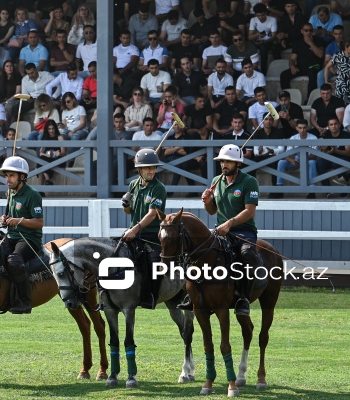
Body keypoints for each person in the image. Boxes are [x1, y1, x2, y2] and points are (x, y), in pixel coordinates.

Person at [181, 144, 261, 316]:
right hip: (220, 231)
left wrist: (230, 224)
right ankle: (193, 294)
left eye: (228, 162)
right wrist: (207, 202)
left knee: (247, 255)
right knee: (196, 253)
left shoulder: (249, 181)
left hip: (243, 232)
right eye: (222, 161)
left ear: (238, 164)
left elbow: (250, 211)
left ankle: (243, 299)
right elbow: (212, 211)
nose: (224, 165)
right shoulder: (216, 181)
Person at [0, 156, 44, 314]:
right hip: (12, 236)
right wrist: (4, 219)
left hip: (29, 239)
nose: (8, 179)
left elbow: (39, 223)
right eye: (6, 176)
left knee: (14, 261)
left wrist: (19, 221)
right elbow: (10, 216)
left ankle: (24, 301)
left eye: (11, 175)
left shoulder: (33, 195)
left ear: (22, 177)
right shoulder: (10, 192)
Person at [121, 149, 166, 309]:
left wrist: (135, 229)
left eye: (153, 167)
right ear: (139, 169)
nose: (151, 171)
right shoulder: (133, 185)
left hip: (151, 237)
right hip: (133, 234)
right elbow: (128, 211)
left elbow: (152, 214)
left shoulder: (158, 188)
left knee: (153, 263)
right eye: (147, 168)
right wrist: (126, 204)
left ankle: (150, 296)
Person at [275, 119, 319, 198]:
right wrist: (291, 160)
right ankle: (279, 189)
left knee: (312, 162)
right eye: (300, 128)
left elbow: (315, 155)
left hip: (308, 162)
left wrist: (305, 158)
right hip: (296, 162)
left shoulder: (313, 138)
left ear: (307, 128)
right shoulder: (293, 138)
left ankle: (312, 191)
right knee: (281, 162)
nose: (302, 130)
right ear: (296, 128)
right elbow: (287, 153)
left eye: (304, 128)